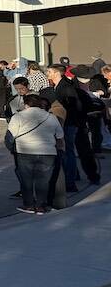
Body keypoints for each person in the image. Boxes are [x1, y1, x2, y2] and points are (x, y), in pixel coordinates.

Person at [7, 94, 64, 214]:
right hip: (47, 152)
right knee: (43, 181)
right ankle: (41, 206)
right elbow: (60, 135)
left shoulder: (18, 117)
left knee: (26, 180)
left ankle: (28, 205)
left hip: (24, 151)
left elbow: (10, 136)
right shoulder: (50, 117)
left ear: (26, 104)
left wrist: (12, 148)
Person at [47, 63, 100, 191]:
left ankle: (73, 181)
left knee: (70, 152)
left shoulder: (66, 87)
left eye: (49, 71)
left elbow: (73, 107)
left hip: (71, 124)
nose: (47, 74)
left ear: (56, 73)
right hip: (71, 123)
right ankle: (76, 176)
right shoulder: (62, 86)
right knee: (75, 151)